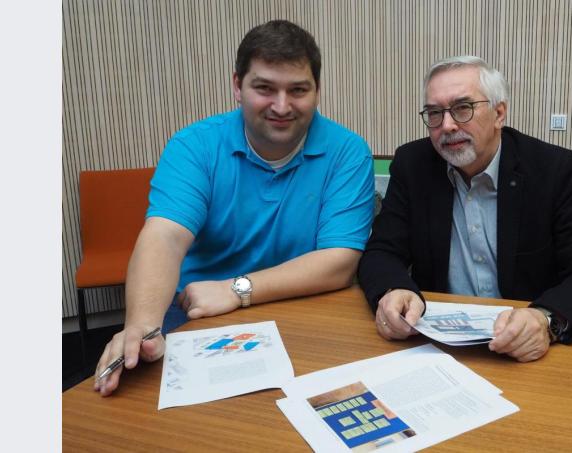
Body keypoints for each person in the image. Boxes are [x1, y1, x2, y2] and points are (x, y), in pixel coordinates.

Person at [95, 20, 375, 395]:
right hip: (198, 311)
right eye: (264, 88)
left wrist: (237, 289)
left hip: (304, 304)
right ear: (237, 86)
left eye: (298, 90)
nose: (281, 105)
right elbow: (164, 237)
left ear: (317, 91)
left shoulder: (348, 151)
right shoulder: (194, 145)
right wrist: (142, 327)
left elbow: (340, 262)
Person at [358, 56, 572, 362]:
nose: (447, 125)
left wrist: (545, 319)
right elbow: (381, 251)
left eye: (462, 108)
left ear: (499, 113)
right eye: (434, 113)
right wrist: (393, 290)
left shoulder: (553, 169)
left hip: (526, 350)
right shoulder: (412, 164)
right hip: (436, 348)